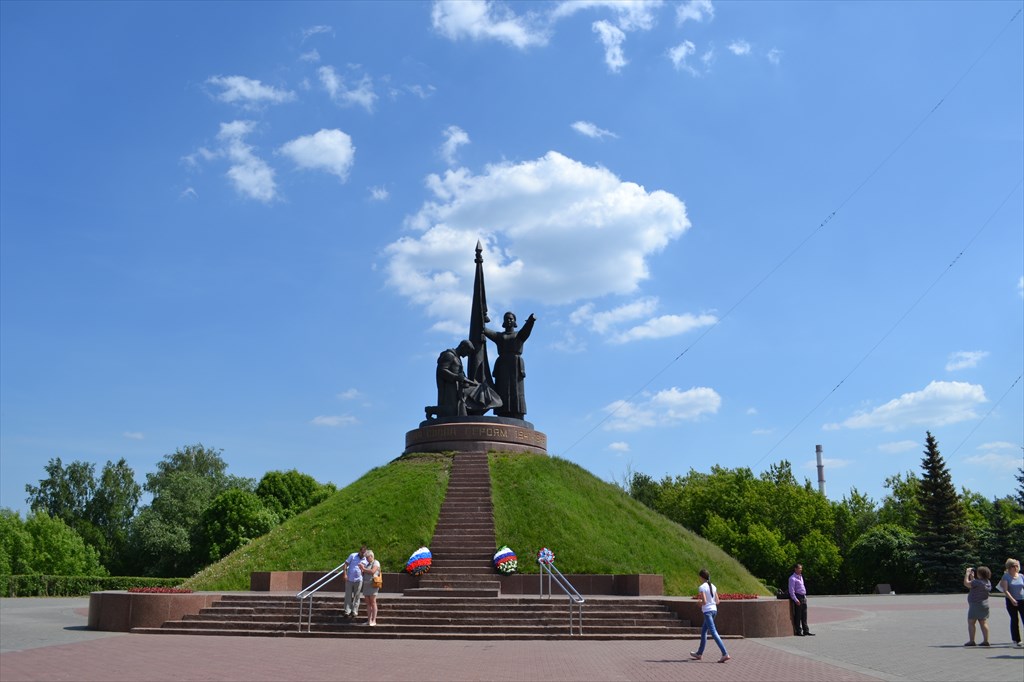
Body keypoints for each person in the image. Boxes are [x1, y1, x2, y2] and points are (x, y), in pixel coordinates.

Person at [482, 311, 536, 420]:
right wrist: (480, 317)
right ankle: (502, 411)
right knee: (502, 389)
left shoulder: (519, 335)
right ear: (503, 322)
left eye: (511, 319)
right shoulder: (499, 336)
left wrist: (530, 321)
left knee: (517, 390)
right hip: (502, 366)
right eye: (506, 319)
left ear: (515, 322)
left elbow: (526, 330)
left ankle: (518, 413)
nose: (509, 320)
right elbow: (484, 330)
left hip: (516, 366)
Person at [689, 568, 730, 663]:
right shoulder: (713, 586)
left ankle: (725, 653)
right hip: (714, 610)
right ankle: (699, 653)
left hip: (707, 612)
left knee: (713, 632)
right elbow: (717, 601)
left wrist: (698, 603)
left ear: (701, 577)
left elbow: (704, 602)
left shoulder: (702, 587)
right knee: (704, 631)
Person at [436, 340, 478, 417]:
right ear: (463, 347)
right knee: (452, 411)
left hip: (458, 387)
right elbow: (441, 370)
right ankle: (430, 410)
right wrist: (455, 377)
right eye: (467, 352)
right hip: (450, 387)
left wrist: (472, 383)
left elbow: (462, 376)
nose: (467, 355)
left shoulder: (457, 358)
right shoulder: (449, 355)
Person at [997, 558, 1023, 648]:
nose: (1015, 567)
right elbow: (1005, 590)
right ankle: (1016, 639)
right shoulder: (1006, 576)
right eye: (1013, 566)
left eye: (1016, 566)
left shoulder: (1021, 576)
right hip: (1011, 601)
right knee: (1015, 619)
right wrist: (1012, 599)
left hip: (1022, 599)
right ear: (1009, 567)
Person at [963, 565, 992, 646]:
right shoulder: (987, 582)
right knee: (983, 622)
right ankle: (986, 641)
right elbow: (975, 586)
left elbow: (966, 584)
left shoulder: (977, 582)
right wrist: (972, 578)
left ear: (980, 574)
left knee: (971, 622)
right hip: (984, 605)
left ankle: (972, 641)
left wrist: (967, 574)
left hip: (975, 605)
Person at [341, 545, 367, 619]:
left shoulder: (366, 559)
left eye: (364, 553)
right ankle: (347, 611)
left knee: (357, 596)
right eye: (362, 553)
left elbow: (367, 568)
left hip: (359, 580)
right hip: (349, 579)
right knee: (348, 595)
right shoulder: (353, 555)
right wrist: (345, 574)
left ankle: (354, 611)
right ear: (359, 551)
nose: (363, 555)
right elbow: (345, 564)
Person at [789, 563, 814, 636]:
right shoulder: (792, 578)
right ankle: (798, 631)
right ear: (795, 569)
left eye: (801, 568)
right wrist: (796, 600)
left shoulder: (801, 577)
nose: (801, 570)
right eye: (799, 568)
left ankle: (806, 630)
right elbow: (791, 591)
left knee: (804, 615)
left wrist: (805, 597)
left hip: (803, 597)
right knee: (798, 615)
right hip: (798, 597)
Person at [360, 549, 382, 627]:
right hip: (366, 585)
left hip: (373, 585)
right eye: (366, 557)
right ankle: (369, 620)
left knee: (373, 602)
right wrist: (362, 570)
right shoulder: (367, 564)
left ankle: (374, 620)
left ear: (371, 556)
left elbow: (372, 571)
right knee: (368, 603)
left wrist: (363, 569)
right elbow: (365, 572)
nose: (366, 559)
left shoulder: (376, 562)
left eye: (367, 557)